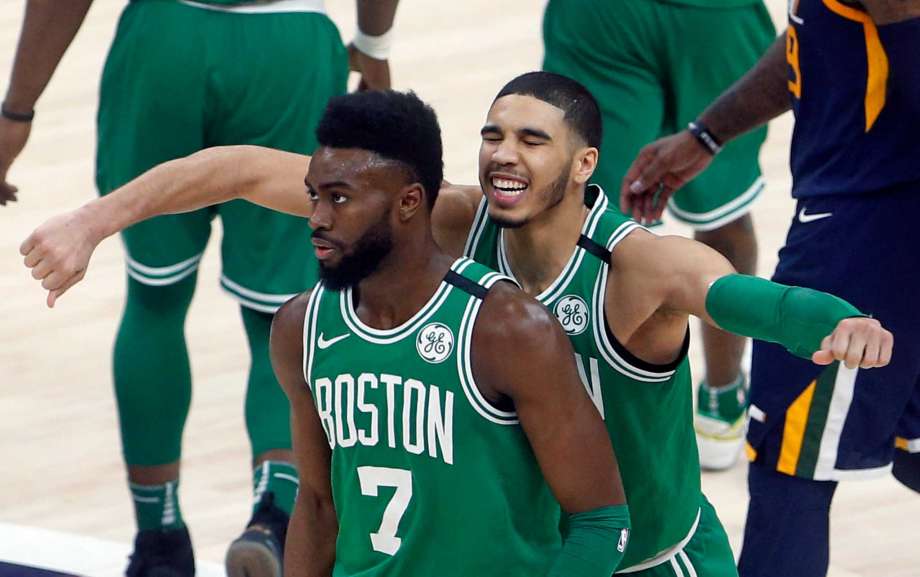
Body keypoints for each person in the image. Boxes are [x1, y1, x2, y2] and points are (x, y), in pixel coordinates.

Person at [22, 72, 894, 576]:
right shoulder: (443, 216)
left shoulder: (635, 267)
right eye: (493, 133)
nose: (504, 152)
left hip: (648, 558)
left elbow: (740, 296)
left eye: (533, 139)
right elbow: (241, 168)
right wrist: (93, 223)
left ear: (585, 163)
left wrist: (833, 320)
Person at [1, 1, 397, 575]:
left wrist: (17, 109)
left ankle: (160, 540)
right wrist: (375, 45)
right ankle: (275, 513)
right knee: (281, 312)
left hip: (167, 40)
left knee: (154, 298)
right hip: (288, 44)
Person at [619, 1, 920, 575]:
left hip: (869, 231)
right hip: (871, 212)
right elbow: (813, 37)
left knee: (790, 464)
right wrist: (708, 134)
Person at [542, 0, 777, 469]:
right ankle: (722, 399)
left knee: (591, 219)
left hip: (604, 19)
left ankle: (583, 414)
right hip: (714, 19)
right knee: (715, 213)